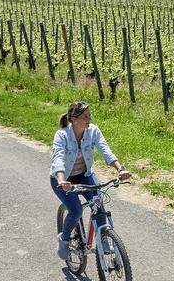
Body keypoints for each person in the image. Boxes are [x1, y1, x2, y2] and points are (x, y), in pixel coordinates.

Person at [50, 101, 131, 259]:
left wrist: (120, 169)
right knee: (76, 210)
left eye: (90, 116)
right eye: (85, 116)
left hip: (84, 174)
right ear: (74, 118)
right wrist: (61, 180)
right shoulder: (62, 135)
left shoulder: (93, 131)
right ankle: (64, 239)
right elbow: (58, 158)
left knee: (98, 204)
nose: (89, 119)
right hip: (64, 179)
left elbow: (105, 149)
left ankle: (104, 239)